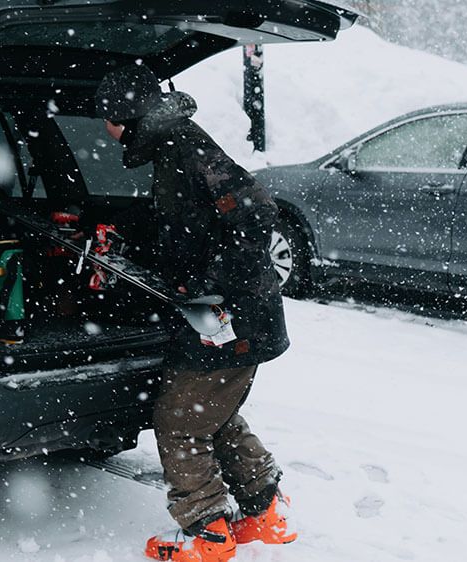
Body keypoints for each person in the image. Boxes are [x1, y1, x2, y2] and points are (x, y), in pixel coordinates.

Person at [95, 64, 296, 561]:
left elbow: (254, 211)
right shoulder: (176, 145)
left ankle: (207, 534)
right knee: (214, 410)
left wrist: (208, 283)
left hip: (228, 315)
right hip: (239, 312)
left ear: (124, 113)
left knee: (179, 420)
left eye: (105, 117)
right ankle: (264, 510)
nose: (104, 128)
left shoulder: (183, 148)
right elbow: (194, 224)